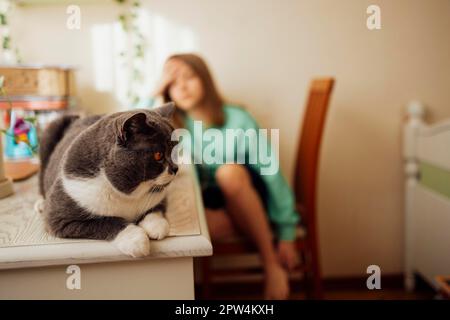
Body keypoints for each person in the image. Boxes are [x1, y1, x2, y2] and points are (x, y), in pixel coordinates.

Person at [137, 53, 300, 299]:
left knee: (228, 172)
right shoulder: (171, 126)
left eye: (189, 77)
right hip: (210, 202)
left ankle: (271, 264)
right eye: (172, 82)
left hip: (247, 191)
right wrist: (155, 90)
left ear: (205, 79)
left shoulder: (238, 118)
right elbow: (135, 132)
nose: (181, 86)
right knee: (182, 228)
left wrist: (287, 233)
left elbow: (271, 172)